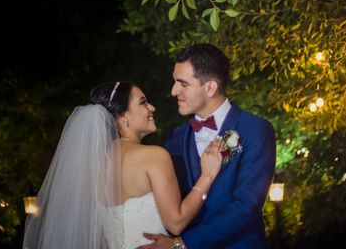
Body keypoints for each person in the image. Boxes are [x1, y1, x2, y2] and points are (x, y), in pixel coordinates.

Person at [22, 81, 223, 249]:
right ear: (123, 116)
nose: (152, 108)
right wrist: (206, 177)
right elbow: (176, 222)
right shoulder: (154, 156)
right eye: (143, 103)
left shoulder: (94, 166)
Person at [137, 43, 276, 249]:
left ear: (210, 87)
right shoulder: (175, 138)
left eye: (183, 84)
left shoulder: (255, 130)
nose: (174, 91)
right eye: (174, 82)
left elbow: (247, 206)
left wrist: (182, 244)